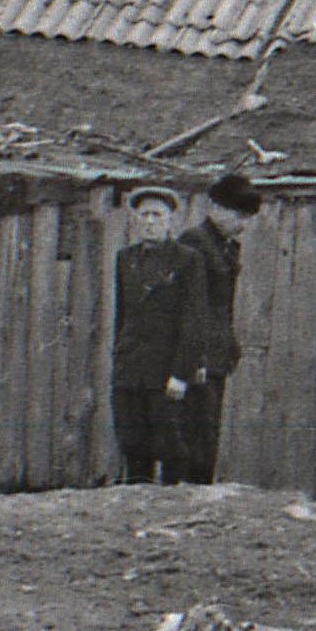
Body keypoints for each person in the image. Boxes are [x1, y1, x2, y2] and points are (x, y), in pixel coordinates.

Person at [166, 174, 257, 483]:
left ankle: (199, 495)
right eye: (239, 215)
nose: (243, 224)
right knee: (191, 433)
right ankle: (181, 496)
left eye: (247, 217)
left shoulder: (226, 246)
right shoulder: (194, 243)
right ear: (216, 208)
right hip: (198, 356)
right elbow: (187, 308)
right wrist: (195, 358)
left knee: (207, 434)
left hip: (216, 354)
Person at [111, 186, 191, 484]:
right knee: (133, 444)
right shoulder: (125, 259)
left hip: (166, 371)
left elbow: (193, 320)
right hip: (130, 368)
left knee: (170, 445)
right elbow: (123, 316)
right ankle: (136, 501)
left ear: (170, 221)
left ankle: (170, 505)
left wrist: (181, 373)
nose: (150, 221)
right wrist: (120, 357)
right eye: (143, 215)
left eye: (157, 215)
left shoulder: (186, 260)